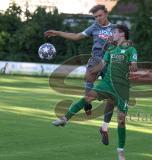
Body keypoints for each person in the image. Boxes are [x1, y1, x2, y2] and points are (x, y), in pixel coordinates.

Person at [52, 24, 138, 160]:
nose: (112, 35)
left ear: (122, 34)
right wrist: (93, 71)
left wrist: (132, 67)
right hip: (107, 84)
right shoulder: (111, 48)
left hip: (122, 88)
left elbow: (134, 66)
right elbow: (103, 64)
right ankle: (65, 118)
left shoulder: (131, 50)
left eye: (114, 32)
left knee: (121, 120)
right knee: (88, 97)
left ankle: (120, 150)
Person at [44, 5, 115, 144]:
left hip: (110, 64)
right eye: (95, 17)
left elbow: (125, 44)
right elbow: (77, 36)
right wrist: (57, 33)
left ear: (106, 13)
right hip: (95, 61)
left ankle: (104, 128)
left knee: (111, 99)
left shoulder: (116, 29)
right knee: (88, 87)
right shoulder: (94, 27)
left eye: (100, 15)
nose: (98, 19)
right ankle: (86, 106)